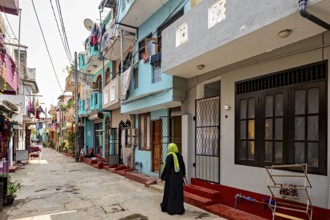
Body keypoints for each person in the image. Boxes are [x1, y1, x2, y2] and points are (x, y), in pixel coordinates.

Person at [160, 143, 186, 215]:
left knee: (170, 192)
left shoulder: (170, 156)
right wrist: (183, 174)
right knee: (178, 192)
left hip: (172, 177)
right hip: (179, 176)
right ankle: (179, 209)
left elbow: (167, 167)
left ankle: (171, 209)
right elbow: (183, 166)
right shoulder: (179, 156)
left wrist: (162, 177)